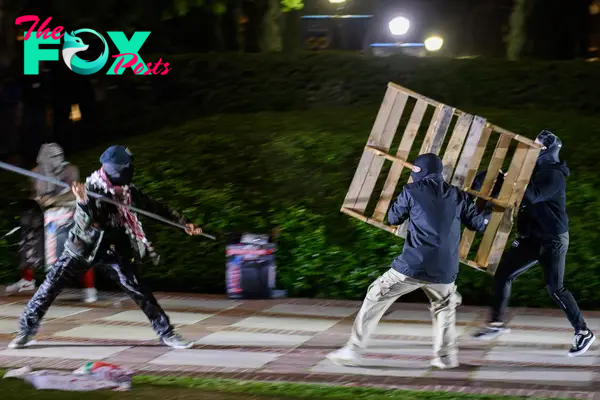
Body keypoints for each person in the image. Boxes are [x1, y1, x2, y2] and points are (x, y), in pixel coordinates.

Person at [8, 145, 203, 350]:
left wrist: (183, 222)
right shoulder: (92, 189)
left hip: (111, 250)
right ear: (116, 169)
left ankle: (167, 333)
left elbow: (155, 207)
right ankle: (25, 332)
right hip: (82, 247)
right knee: (49, 287)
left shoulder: (127, 191)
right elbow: (84, 224)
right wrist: (83, 202)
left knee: (138, 289)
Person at [327, 153, 489, 369]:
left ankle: (354, 350)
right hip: (445, 269)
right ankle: (446, 357)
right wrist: (487, 209)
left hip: (414, 265)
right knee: (444, 306)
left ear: (419, 172)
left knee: (376, 294)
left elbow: (393, 218)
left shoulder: (412, 191)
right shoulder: (457, 195)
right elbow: (479, 224)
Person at [473, 130, 594, 357]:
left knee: (555, 288)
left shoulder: (553, 174)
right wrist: (497, 180)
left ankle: (583, 331)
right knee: (502, 274)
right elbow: (514, 195)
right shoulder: (535, 171)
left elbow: (530, 196)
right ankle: (496, 324)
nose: (531, 150)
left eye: (537, 147)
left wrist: (514, 178)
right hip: (531, 238)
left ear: (547, 150)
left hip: (552, 240)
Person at [5, 143, 97, 303]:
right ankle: (27, 280)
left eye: (57, 155)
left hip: (70, 213)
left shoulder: (70, 170)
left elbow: (73, 194)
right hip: (48, 215)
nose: (56, 159)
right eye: (50, 156)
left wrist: (54, 199)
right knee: (30, 231)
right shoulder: (36, 173)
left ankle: (89, 288)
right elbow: (39, 196)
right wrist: (41, 200)